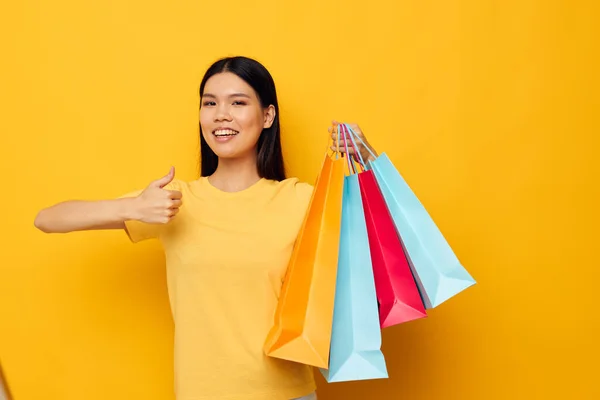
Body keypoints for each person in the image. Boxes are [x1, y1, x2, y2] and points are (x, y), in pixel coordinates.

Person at [34, 56, 378, 400]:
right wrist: (132, 207)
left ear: (267, 116)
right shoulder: (175, 202)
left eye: (238, 103)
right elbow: (47, 219)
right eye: (209, 103)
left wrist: (367, 160)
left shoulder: (302, 200)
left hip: (286, 393)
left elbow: (388, 248)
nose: (220, 115)